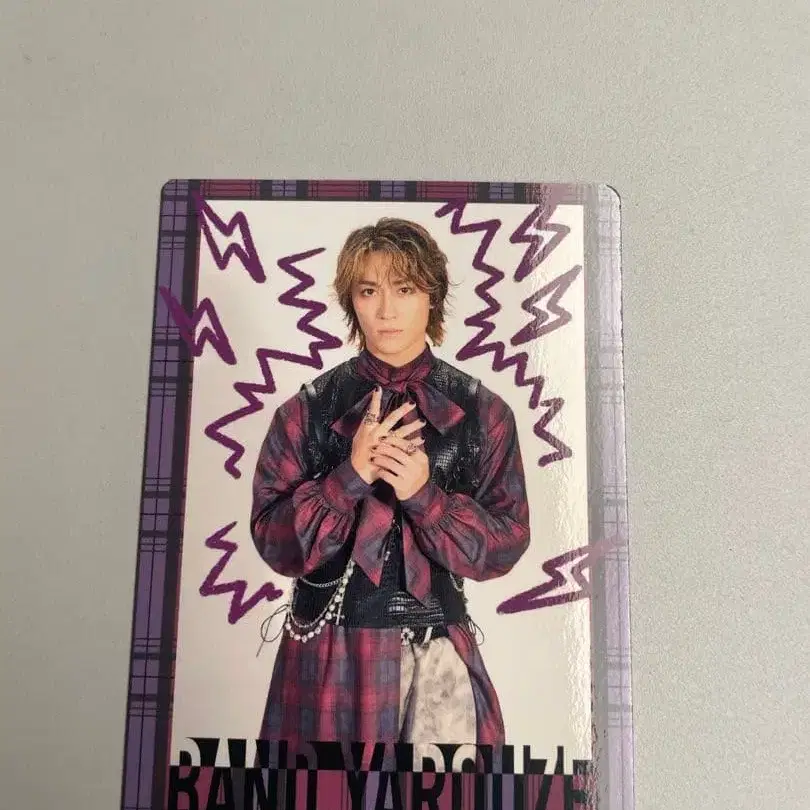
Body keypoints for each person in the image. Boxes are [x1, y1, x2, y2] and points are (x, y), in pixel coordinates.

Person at [249, 217, 531, 751]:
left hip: (438, 656)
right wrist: (347, 480)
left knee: (448, 789)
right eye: (368, 291)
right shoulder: (305, 412)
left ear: (432, 295)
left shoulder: (484, 413)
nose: (386, 311)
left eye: (403, 290)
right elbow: (272, 541)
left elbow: (507, 542)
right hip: (330, 655)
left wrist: (427, 499)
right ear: (351, 302)